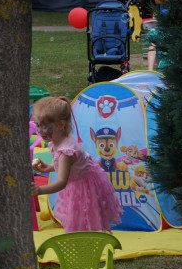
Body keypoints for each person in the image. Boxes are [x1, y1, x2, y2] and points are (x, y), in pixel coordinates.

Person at [30, 97, 122, 232]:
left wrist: (40, 190)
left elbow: (61, 182)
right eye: (37, 125)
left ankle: (89, 243)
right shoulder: (57, 140)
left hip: (86, 185)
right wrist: (50, 167)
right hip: (78, 180)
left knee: (86, 220)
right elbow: (67, 167)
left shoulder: (65, 152)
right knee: (79, 219)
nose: (39, 130)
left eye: (44, 126)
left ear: (61, 125)